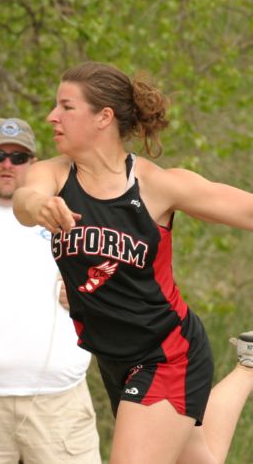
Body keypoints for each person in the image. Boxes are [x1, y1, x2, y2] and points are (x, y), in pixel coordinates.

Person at [13, 61, 253, 463]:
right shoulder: (52, 175)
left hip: (166, 352)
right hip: (113, 357)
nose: (51, 116)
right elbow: (24, 201)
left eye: (66, 107)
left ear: (103, 117)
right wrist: (39, 205)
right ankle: (248, 367)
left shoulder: (157, 185)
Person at [0, 117, 101, 463]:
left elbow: (108, 278)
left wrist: (88, 293)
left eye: (19, 157)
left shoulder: (64, 213)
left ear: (35, 165)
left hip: (58, 403)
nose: (7, 164)